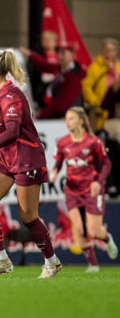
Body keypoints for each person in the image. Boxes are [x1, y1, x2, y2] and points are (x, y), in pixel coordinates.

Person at [0, 50, 62, 278]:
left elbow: (13, 132)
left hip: (27, 157)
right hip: (6, 156)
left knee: (28, 216)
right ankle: (2, 260)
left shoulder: (10, 95)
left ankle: (52, 261)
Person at [50, 107, 118, 272]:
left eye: (71, 118)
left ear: (81, 121)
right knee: (79, 229)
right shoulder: (62, 142)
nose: (68, 122)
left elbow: (106, 163)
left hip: (92, 190)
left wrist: (98, 182)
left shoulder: (93, 142)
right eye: (66, 119)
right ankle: (93, 265)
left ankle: (107, 239)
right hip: (72, 191)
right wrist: (54, 172)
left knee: (94, 231)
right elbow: (59, 162)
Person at [35, 43, 85, 120]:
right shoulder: (62, 70)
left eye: (63, 53)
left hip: (62, 119)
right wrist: (30, 54)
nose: (59, 56)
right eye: (58, 53)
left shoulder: (73, 77)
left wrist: (41, 114)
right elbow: (45, 65)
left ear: (72, 55)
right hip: (51, 112)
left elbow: (61, 106)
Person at [82, 38, 120, 130]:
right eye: (107, 50)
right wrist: (95, 101)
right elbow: (86, 86)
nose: (110, 52)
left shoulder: (118, 68)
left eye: (112, 50)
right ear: (103, 51)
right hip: (100, 112)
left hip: (115, 112)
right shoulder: (95, 67)